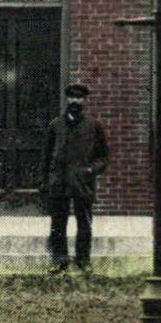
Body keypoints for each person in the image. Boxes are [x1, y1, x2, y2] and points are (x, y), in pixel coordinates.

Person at [42, 83, 109, 274]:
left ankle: (83, 260)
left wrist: (90, 170)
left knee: (84, 223)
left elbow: (104, 158)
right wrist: (45, 180)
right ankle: (59, 260)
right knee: (57, 224)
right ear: (67, 99)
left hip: (83, 182)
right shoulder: (56, 125)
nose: (75, 101)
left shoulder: (94, 126)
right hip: (60, 181)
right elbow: (45, 157)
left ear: (84, 100)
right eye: (71, 97)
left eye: (79, 98)